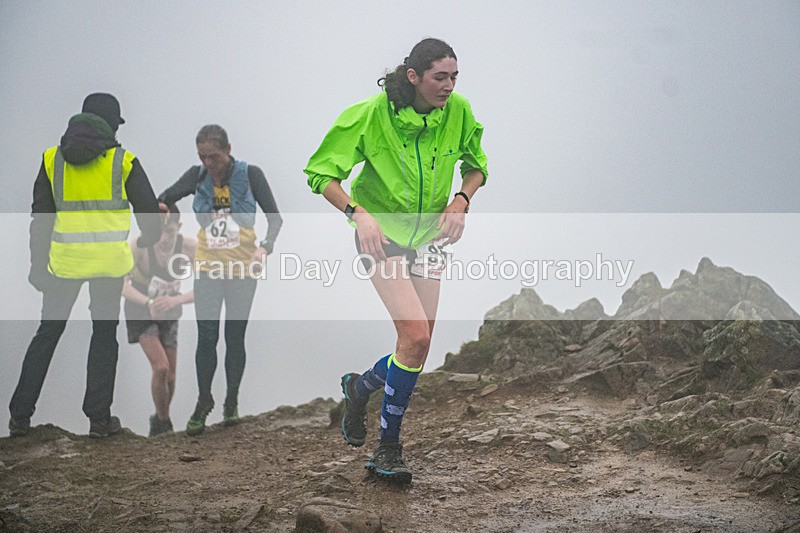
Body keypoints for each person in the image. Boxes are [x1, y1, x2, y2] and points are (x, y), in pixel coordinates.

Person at [304, 38, 488, 483]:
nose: (448, 86)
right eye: (439, 77)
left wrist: (462, 200)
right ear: (414, 76)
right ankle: (388, 450)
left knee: (417, 348)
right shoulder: (371, 114)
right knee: (414, 336)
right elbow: (320, 172)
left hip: (428, 239)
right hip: (380, 238)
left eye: (454, 77)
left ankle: (360, 387)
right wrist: (357, 212)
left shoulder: (458, 110)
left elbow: (477, 164)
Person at [9, 93, 162, 438]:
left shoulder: (52, 160)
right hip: (108, 266)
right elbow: (151, 216)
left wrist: (37, 267)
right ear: (110, 123)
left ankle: (20, 416)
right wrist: (150, 240)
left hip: (63, 264)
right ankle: (98, 420)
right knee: (104, 335)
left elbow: (41, 218)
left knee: (47, 333)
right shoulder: (123, 161)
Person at [158, 124, 282, 436]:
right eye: (202, 157)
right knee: (207, 336)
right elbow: (163, 198)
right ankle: (204, 401)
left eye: (213, 156)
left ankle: (231, 401)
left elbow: (275, 218)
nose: (208, 163)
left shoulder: (251, 174)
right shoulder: (196, 176)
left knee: (235, 336)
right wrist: (162, 221)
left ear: (228, 149)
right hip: (208, 268)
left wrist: (264, 248)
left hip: (242, 269)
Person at [122, 204, 196, 437]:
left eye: (170, 232)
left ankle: (159, 418)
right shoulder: (138, 246)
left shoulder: (188, 247)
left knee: (171, 376)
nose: (165, 239)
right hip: (140, 307)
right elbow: (120, 285)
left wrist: (178, 300)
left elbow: (209, 284)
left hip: (170, 308)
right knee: (161, 367)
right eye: (160, 232)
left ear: (179, 228)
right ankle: (164, 423)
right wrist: (148, 303)